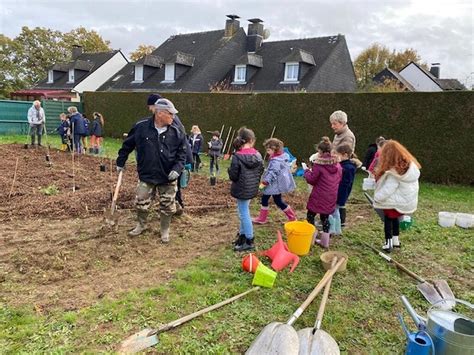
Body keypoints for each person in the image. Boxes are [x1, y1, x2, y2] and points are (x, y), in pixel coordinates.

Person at [117, 98, 187, 243]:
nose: (173, 117)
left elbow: (182, 154)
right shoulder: (141, 127)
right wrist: (120, 161)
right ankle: (141, 225)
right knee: (141, 202)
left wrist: (177, 169)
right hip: (147, 175)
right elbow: (127, 145)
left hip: (168, 176)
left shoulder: (176, 131)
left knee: (167, 205)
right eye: (171, 114)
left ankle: (164, 230)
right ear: (160, 113)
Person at [146, 94, 192, 216]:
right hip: (178, 156)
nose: (150, 110)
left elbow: (176, 140)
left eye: (150, 107)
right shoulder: (171, 117)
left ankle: (176, 208)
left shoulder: (171, 120)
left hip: (178, 157)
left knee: (173, 184)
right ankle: (175, 207)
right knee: (173, 184)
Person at [373, 140, 421, 252]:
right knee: (395, 219)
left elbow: (387, 190)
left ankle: (388, 242)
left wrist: (377, 197)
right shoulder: (409, 167)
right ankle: (396, 240)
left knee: (388, 221)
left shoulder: (394, 173)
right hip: (405, 202)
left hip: (394, 203)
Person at [228, 127, 264, 252]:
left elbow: (233, 175)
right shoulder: (258, 155)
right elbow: (261, 171)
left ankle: (249, 240)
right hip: (251, 188)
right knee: (243, 211)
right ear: (251, 140)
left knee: (243, 213)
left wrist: (229, 170)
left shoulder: (237, 156)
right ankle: (242, 236)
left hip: (241, 189)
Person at [304, 137, 342, 248]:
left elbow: (312, 179)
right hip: (331, 195)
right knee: (325, 217)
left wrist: (306, 171)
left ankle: (311, 238)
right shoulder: (338, 165)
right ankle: (325, 242)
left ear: (320, 151)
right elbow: (339, 178)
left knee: (310, 215)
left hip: (319, 195)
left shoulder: (319, 165)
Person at [253, 138, 297, 224]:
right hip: (277, 185)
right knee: (278, 201)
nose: (267, 151)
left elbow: (273, 173)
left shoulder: (276, 161)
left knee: (265, 199)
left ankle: (262, 218)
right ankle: (292, 218)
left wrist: (265, 182)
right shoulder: (280, 157)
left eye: (269, 150)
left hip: (273, 185)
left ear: (275, 149)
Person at [335, 144, 357, 228]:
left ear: (345, 155)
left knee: (340, 205)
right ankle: (339, 222)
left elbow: (345, 183)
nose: (336, 156)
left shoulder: (348, 167)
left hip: (342, 191)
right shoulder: (343, 165)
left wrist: (339, 192)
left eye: (338, 155)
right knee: (339, 205)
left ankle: (341, 222)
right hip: (339, 189)